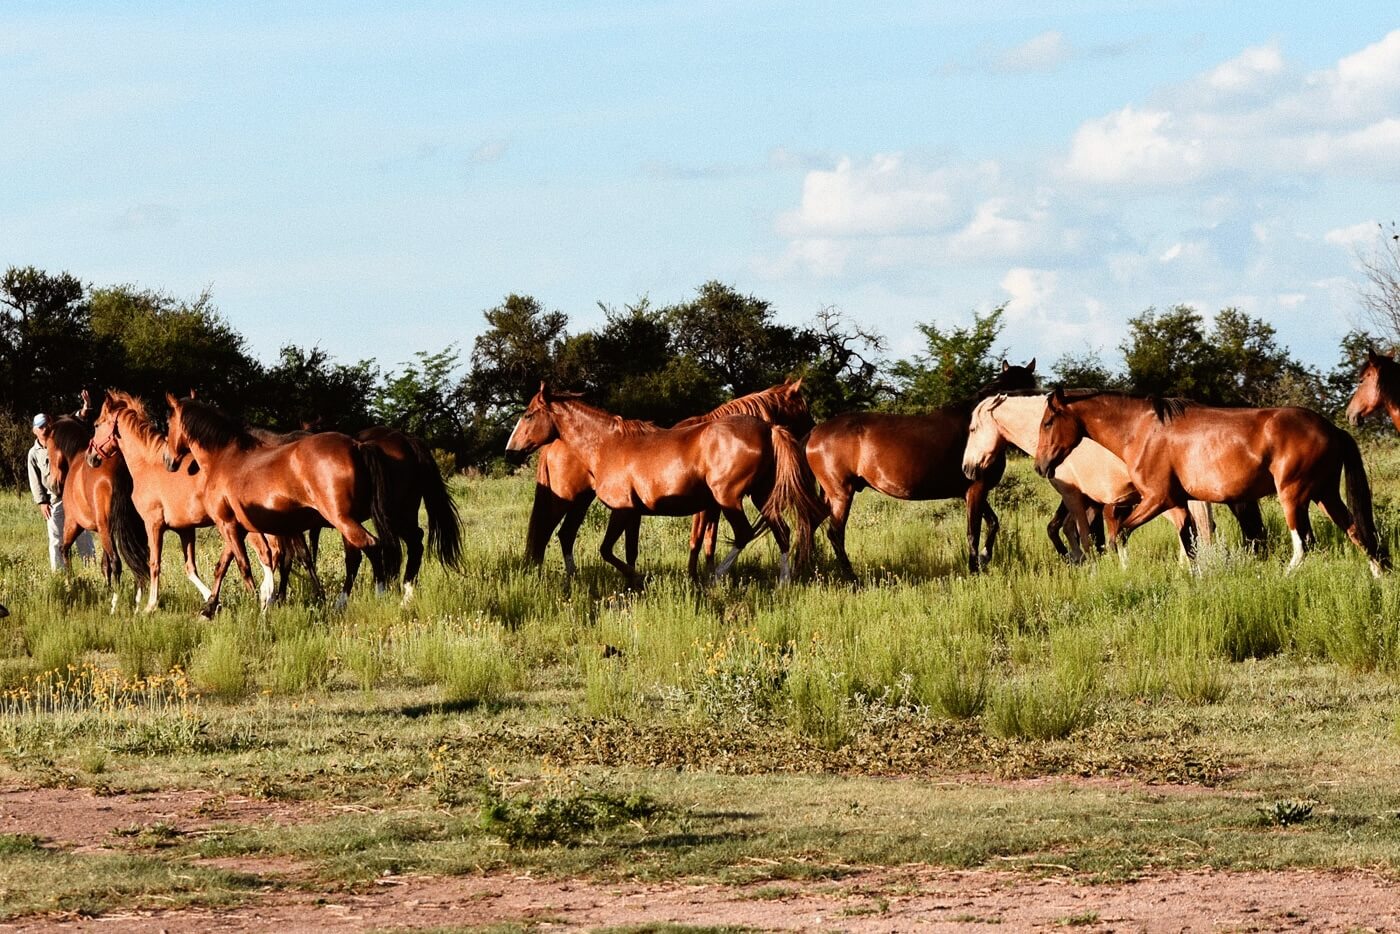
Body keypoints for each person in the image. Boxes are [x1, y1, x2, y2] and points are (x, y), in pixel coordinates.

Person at [28, 391, 97, 572]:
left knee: (84, 537)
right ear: (34, 430)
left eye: (46, 425)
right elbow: (34, 480)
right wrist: (41, 502)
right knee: (56, 538)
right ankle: (59, 574)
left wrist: (85, 407)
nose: (44, 429)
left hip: (75, 496)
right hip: (55, 500)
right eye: (40, 427)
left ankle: (91, 570)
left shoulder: (61, 438)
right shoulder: (33, 453)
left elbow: (75, 420)